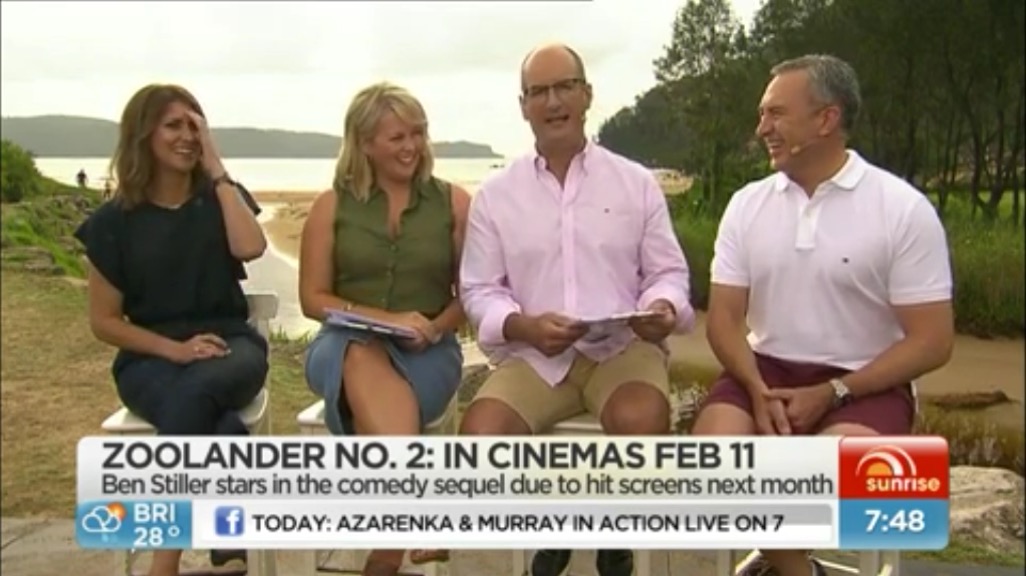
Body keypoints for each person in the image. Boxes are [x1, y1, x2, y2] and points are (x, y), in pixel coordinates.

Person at [693, 54, 954, 576]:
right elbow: (722, 319)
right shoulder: (746, 205)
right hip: (763, 371)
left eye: (776, 114)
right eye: (762, 115)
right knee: (709, 469)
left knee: (814, 483)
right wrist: (756, 388)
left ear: (826, 119)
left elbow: (933, 341)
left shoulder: (901, 208)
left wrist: (835, 391)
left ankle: (781, 560)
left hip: (866, 380)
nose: (762, 128)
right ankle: (800, 570)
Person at [458, 44, 695, 576]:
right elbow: (479, 290)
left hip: (622, 349)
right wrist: (522, 325)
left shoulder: (635, 183)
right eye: (539, 92)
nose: (553, 101)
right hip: (535, 356)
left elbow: (668, 273)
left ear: (586, 95)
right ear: (523, 106)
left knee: (640, 420)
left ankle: (608, 529)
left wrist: (661, 307)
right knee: (480, 438)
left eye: (565, 86)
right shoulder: (495, 195)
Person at [74, 84, 269, 576]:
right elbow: (104, 322)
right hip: (150, 359)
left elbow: (251, 247)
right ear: (144, 134)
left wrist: (218, 170)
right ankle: (225, 536)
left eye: (194, 125)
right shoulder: (113, 222)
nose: (187, 136)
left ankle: (164, 563)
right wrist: (174, 350)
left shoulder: (219, 197)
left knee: (197, 394)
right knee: (216, 423)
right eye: (173, 125)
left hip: (230, 345)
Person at [299, 81, 471, 576]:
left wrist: (435, 328)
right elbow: (313, 299)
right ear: (365, 142)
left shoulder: (454, 203)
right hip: (341, 344)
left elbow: (471, 295)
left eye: (418, 133)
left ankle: (386, 550)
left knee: (372, 385)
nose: (412, 146)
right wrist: (385, 320)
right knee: (358, 352)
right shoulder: (331, 206)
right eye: (398, 136)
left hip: (427, 352)